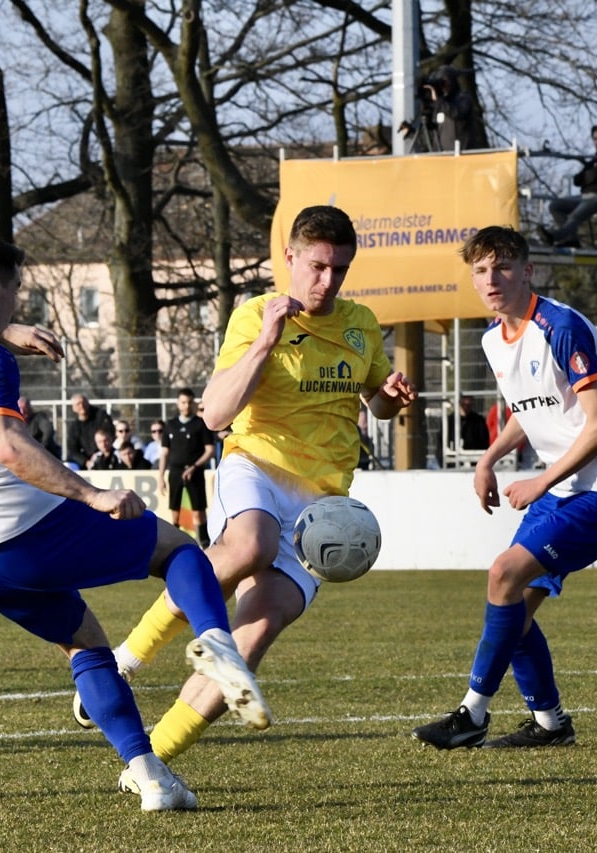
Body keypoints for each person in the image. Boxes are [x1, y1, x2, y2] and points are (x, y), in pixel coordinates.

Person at [0, 230, 268, 812]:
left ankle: (151, 776)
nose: (16, 307)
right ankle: (216, 642)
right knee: (179, 552)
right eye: (13, 297)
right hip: (22, 529)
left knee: (84, 642)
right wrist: (90, 494)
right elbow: (6, 445)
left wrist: (5, 328)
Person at [80, 206, 416, 773]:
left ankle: (149, 764)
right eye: (317, 266)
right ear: (289, 257)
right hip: (257, 464)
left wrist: (389, 393)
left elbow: (374, 399)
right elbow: (214, 413)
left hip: (322, 509)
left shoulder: (360, 323)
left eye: (340, 270)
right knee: (248, 547)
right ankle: (126, 660)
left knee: (252, 636)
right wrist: (266, 341)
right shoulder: (254, 316)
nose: (328, 282)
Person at [412, 226, 597, 750]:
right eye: (479, 270)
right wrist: (488, 459)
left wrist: (540, 480)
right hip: (564, 490)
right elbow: (530, 408)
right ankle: (550, 724)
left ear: (526, 271)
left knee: (503, 575)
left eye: (501, 267)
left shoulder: (560, 326)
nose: (490, 279)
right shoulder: (493, 338)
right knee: (511, 604)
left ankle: (471, 716)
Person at [537, 125, 597, 248]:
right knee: (556, 206)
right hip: (585, 196)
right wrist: (589, 173)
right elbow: (577, 180)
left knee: (575, 216)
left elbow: (590, 177)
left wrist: (588, 174)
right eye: (596, 138)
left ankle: (554, 237)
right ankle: (571, 239)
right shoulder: (595, 159)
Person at [158, 388, 216, 547]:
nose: (187, 405)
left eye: (190, 402)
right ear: (178, 403)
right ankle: (172, 546)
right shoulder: (170, 425)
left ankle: (204, 545)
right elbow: (164, 453)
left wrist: (194, 467)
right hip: (175, 472)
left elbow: (210, 451)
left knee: (198, 512)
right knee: (175, 513)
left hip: (195, 472)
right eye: (183, 402)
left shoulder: (200, 424)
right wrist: (160, 477)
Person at [64, 393, 113, 469]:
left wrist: (98, 455)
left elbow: (109, 435)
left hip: (104, 455)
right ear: (74, 408)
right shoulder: (74, 426)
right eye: (78, 404)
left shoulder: (101, 416)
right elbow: (72, 449)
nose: (82, 406)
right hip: (85, 460)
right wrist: (85, 462)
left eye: (83, 402)